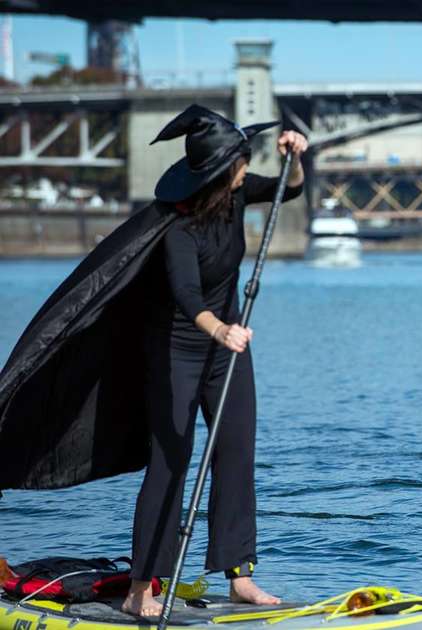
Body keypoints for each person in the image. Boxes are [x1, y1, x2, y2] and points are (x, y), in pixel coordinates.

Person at [0, 104, 305, 617]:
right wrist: (221, 330)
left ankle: (240, 576)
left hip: (226, 352)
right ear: (219, 171)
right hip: (178, 351)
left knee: (235, 450)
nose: (247, 169)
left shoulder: (236, 198)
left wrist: (295, 157)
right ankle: (144, 584)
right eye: (242, 161)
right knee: (172, 461)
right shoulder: (177, 230)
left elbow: (289, 189)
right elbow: (188, 296)